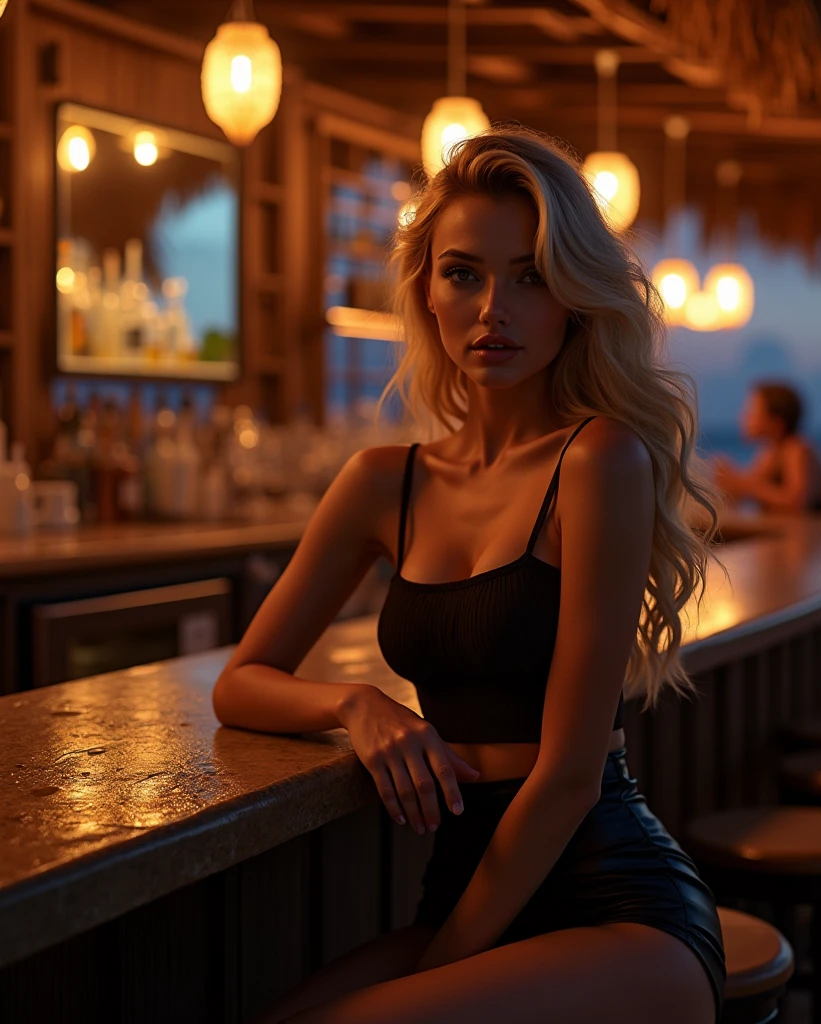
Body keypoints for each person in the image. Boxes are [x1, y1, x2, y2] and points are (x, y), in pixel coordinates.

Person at [214, 128, 725, 1024]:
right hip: (468, 892)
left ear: (573, 298)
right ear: (426, 292)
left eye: (531, 276)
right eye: (465, 274)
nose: (495, 307)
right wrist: (358, 706)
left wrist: (432, 971)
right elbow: (240, 684)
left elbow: (569, 775)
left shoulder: (598, 460)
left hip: (612, 902)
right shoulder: (382, 483)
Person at [713, 380, 821, 514]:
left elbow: (797, 502)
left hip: (820, 532)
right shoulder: (769, 451)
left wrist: (743, 483)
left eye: (751, 413)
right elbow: (747, 491)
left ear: (776, 422)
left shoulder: (797, 448)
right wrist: (727, 481)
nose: (742, 417)